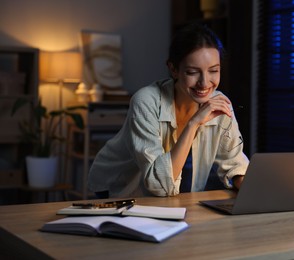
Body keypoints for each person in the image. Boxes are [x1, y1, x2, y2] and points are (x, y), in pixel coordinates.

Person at [88, 23, 249, 198]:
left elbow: (234, 163)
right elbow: (157, 184)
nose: (204, 82)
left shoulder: (220, 103)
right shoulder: (146, 101)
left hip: (164, 196)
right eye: (192, 72)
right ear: (173, 69)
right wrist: (194, 123)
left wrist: (253, 188)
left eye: (213, 71)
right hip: (119, 188)